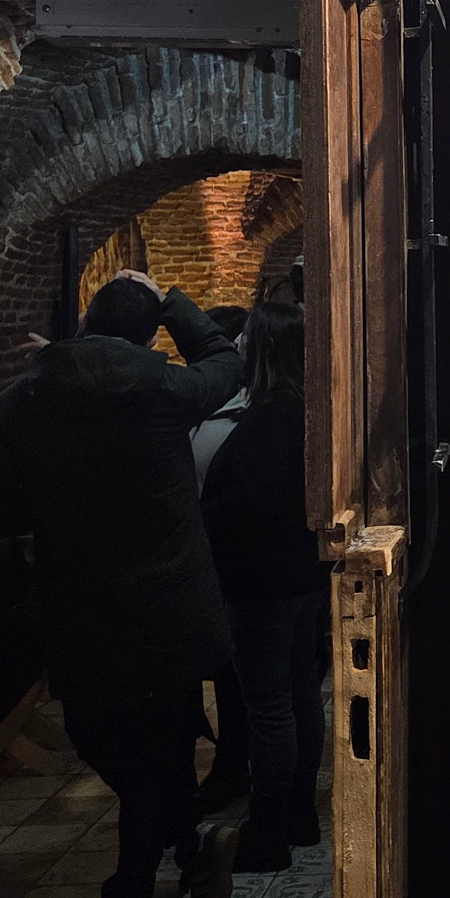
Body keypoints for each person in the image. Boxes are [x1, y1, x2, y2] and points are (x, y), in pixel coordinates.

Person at [0, 271, 243, 898]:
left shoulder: (29, 396)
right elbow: (225, 359)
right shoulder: (162, 391)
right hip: (167, 613)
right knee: (163, 753)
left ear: (86, 322)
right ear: (148, 336)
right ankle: (169, 863)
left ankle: (136, 895)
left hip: (82, 611)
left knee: (107, 742)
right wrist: (171, 299)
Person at [201, 301, 328, 871]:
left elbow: (246, 505)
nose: (240, 347)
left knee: (270, 706)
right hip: (301, 576)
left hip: (263, 584)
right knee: (300, 693)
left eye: (247, 338)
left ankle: (269, 832)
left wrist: (204, 521)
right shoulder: (308, 412)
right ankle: (300, 816)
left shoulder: (269, 419)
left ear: (266, 348)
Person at [190, 304, 250, 812]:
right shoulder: (196, 405)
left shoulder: (243, 415)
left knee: (236, 679)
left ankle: (233, 770)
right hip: (197, 563)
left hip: (230, 565)